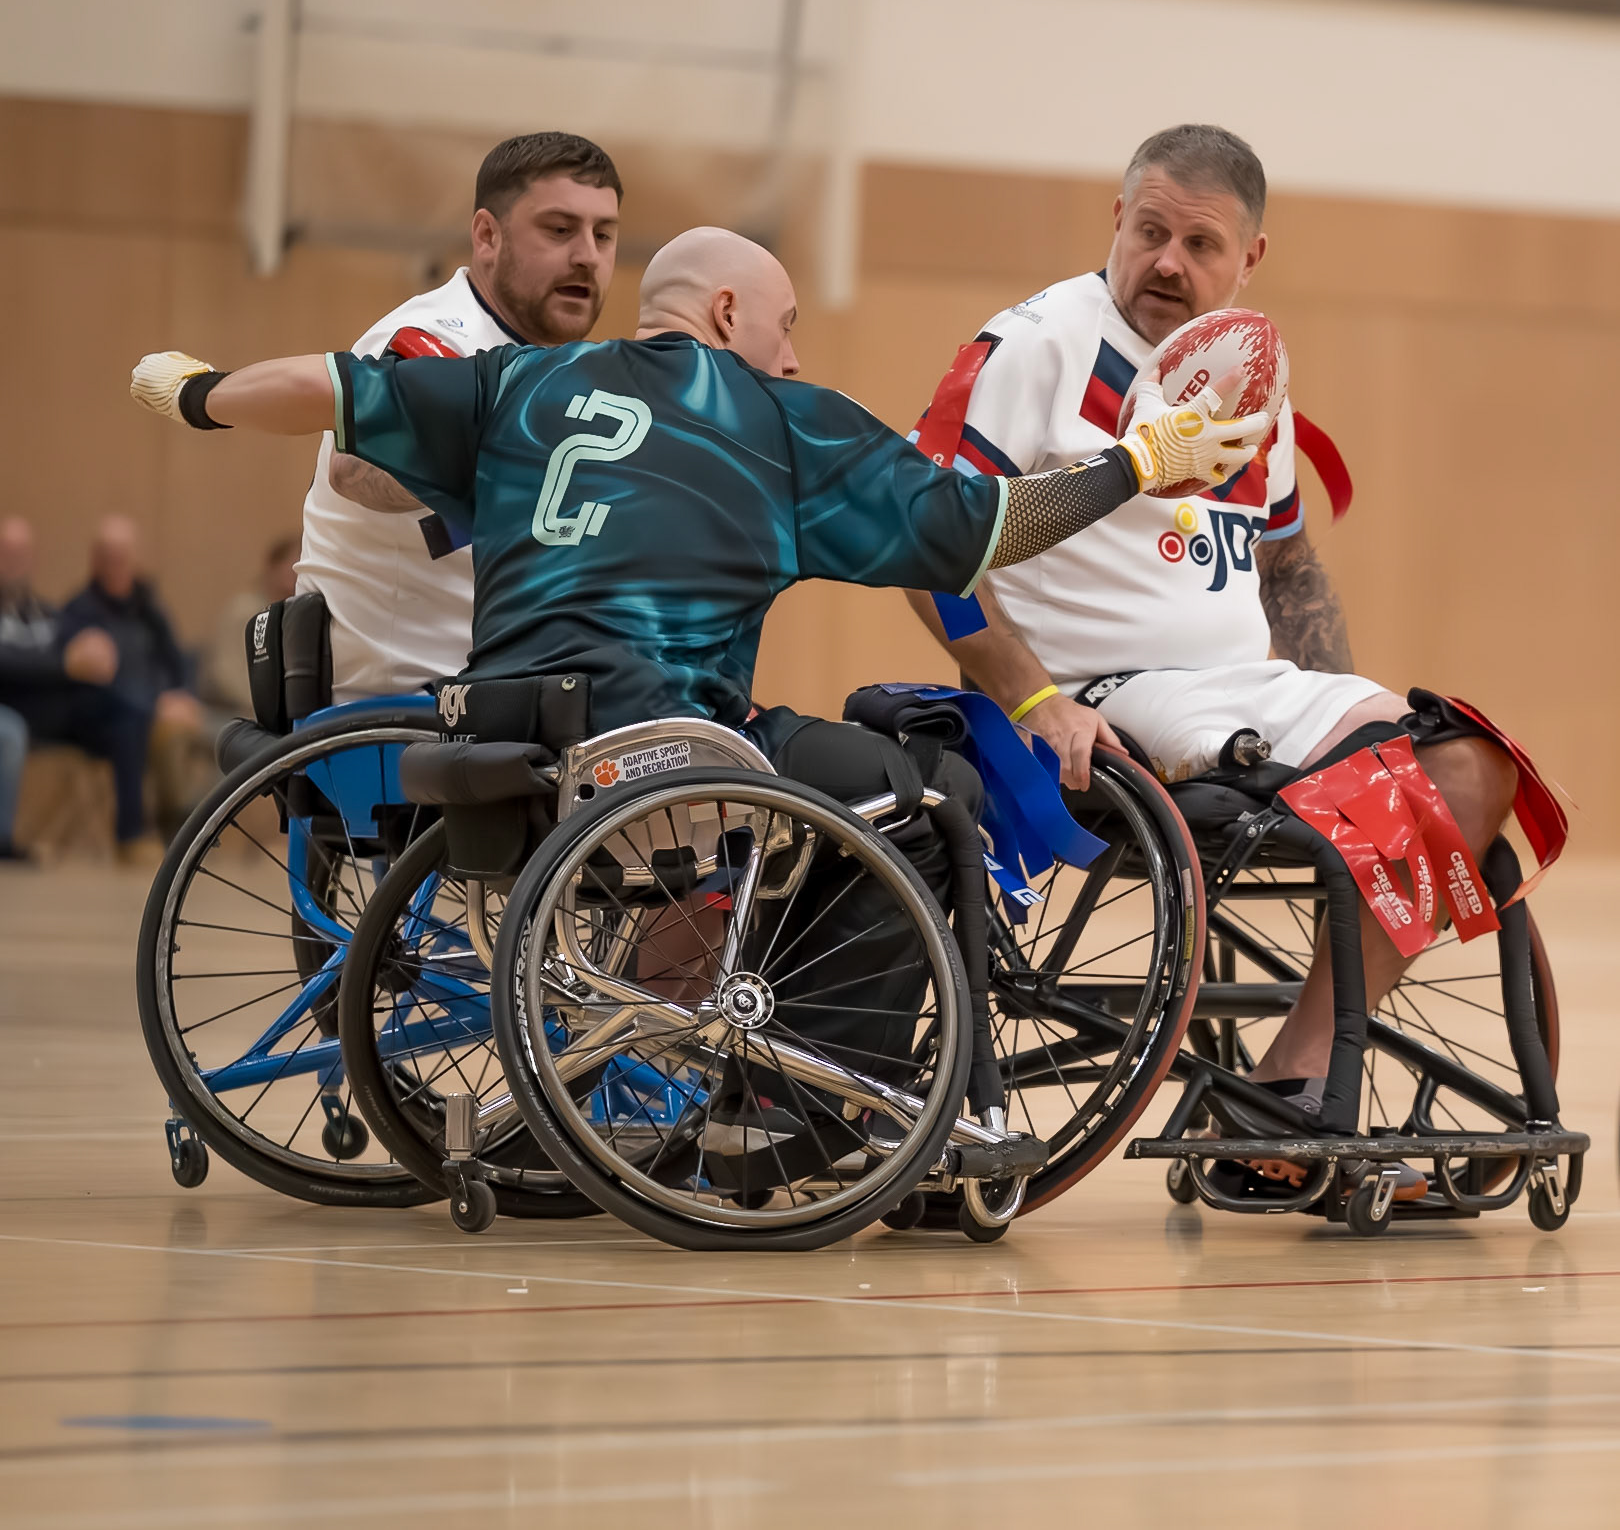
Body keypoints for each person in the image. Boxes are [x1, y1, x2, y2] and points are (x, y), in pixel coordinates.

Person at [130, 226, 1262, 1059]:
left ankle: (688, 1028)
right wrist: (1137, 464)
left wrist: (198, 395)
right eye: (785, 324)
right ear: (726, 313)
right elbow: (993, 526)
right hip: (667, 755)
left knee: (797, 768)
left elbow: (321, 388)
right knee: (924, 798)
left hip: (505, 756)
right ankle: (803, 1102)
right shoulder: (782, 421)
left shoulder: (518, 378)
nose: (791, 353)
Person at [905, 123, 1519, 1184]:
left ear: (1250, 257)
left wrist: (1334, 696)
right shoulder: (1037, 346)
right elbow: (921, 549)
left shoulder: (1247, 376)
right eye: (1150, 233)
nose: (1167, 263)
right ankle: (1289, 1103)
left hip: (1240, 693)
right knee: (1416, 763)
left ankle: (1288, 1081)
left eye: (1199, 245)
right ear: (1117, 219)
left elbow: (1289, 568)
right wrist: (1035, 699)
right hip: (1100, 695)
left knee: (1468, 766)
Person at [294, 130, 623, 702]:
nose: (587, 256)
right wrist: (504, 453)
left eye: (604, 235)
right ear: (487, 235)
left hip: (501, 699)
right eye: (559, 229)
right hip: (395, 715)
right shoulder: (434, 338)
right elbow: (352, 471)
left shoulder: (564, 372)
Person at [0, 514, 151, 857]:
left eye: (22, 554)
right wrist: (64, 664)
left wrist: (92, 646)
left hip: (60, 711)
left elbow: (73, 644)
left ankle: (133, 835)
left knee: (128, 713)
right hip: (16, 707)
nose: (15, 563)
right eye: (7, 553)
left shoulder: (43, 612)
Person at [58, 516, 210, 840]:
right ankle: (141, 834)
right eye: (109, 558)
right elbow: (85, 680)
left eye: (123, 558)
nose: (117, 566)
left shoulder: (149, 608)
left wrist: (182, 693)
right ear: (95, 561)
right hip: (106, 717)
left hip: (157, 709)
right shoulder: (79, 611)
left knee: (207, 732)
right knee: (143, 726)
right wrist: (156, 704)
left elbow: (177, 658)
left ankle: (189, 828)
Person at [199, 533, 300, 719]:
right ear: (272, 567)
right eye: (292, 564)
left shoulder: (297, 616)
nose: (297, 572)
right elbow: (229, 675)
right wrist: (271, 710)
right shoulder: (245, 611)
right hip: (231, 709)